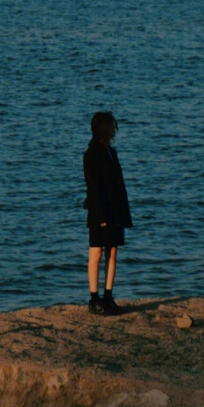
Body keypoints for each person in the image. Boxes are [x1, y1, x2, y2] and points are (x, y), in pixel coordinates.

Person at [83, 110, 132, 315]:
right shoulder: (91, 154)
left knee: (112, 251)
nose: (114, 130)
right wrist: (101, 216)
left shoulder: (112, 153)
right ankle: (94, 298)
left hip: (115, 210)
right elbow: (93, 187)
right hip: (99, 211)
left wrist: (124, 213)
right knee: (96, 251)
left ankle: (108, 296)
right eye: (111, 126)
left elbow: (119, 185)